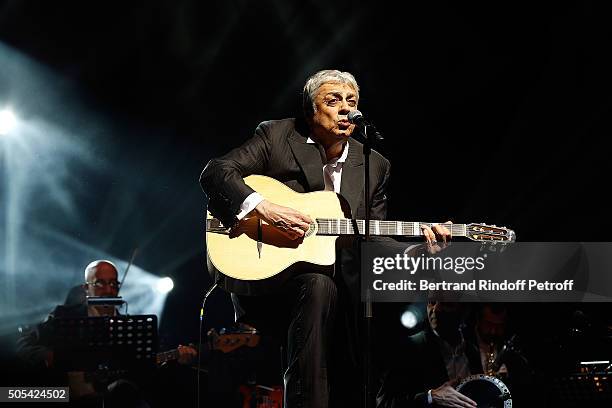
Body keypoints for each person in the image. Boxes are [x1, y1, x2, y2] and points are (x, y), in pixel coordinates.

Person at [200, 69, 452, 407]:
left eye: (352, 101)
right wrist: (264, 207)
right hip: (267, 280)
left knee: (356, 322)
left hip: (343, 294)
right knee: (319, 284)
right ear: (310, 110)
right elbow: (216, 172)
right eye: (333, 101)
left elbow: (371, 241)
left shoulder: (374, 165)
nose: (345, 108)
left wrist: (418, 250)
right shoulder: (276, 135)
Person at [376, 301, 480, 408]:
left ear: (465, 311)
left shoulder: (473, 351)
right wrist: (431, 397)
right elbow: (385, 403)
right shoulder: (408, 349)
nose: (435, 309)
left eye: (446, 304)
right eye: (432, 302)